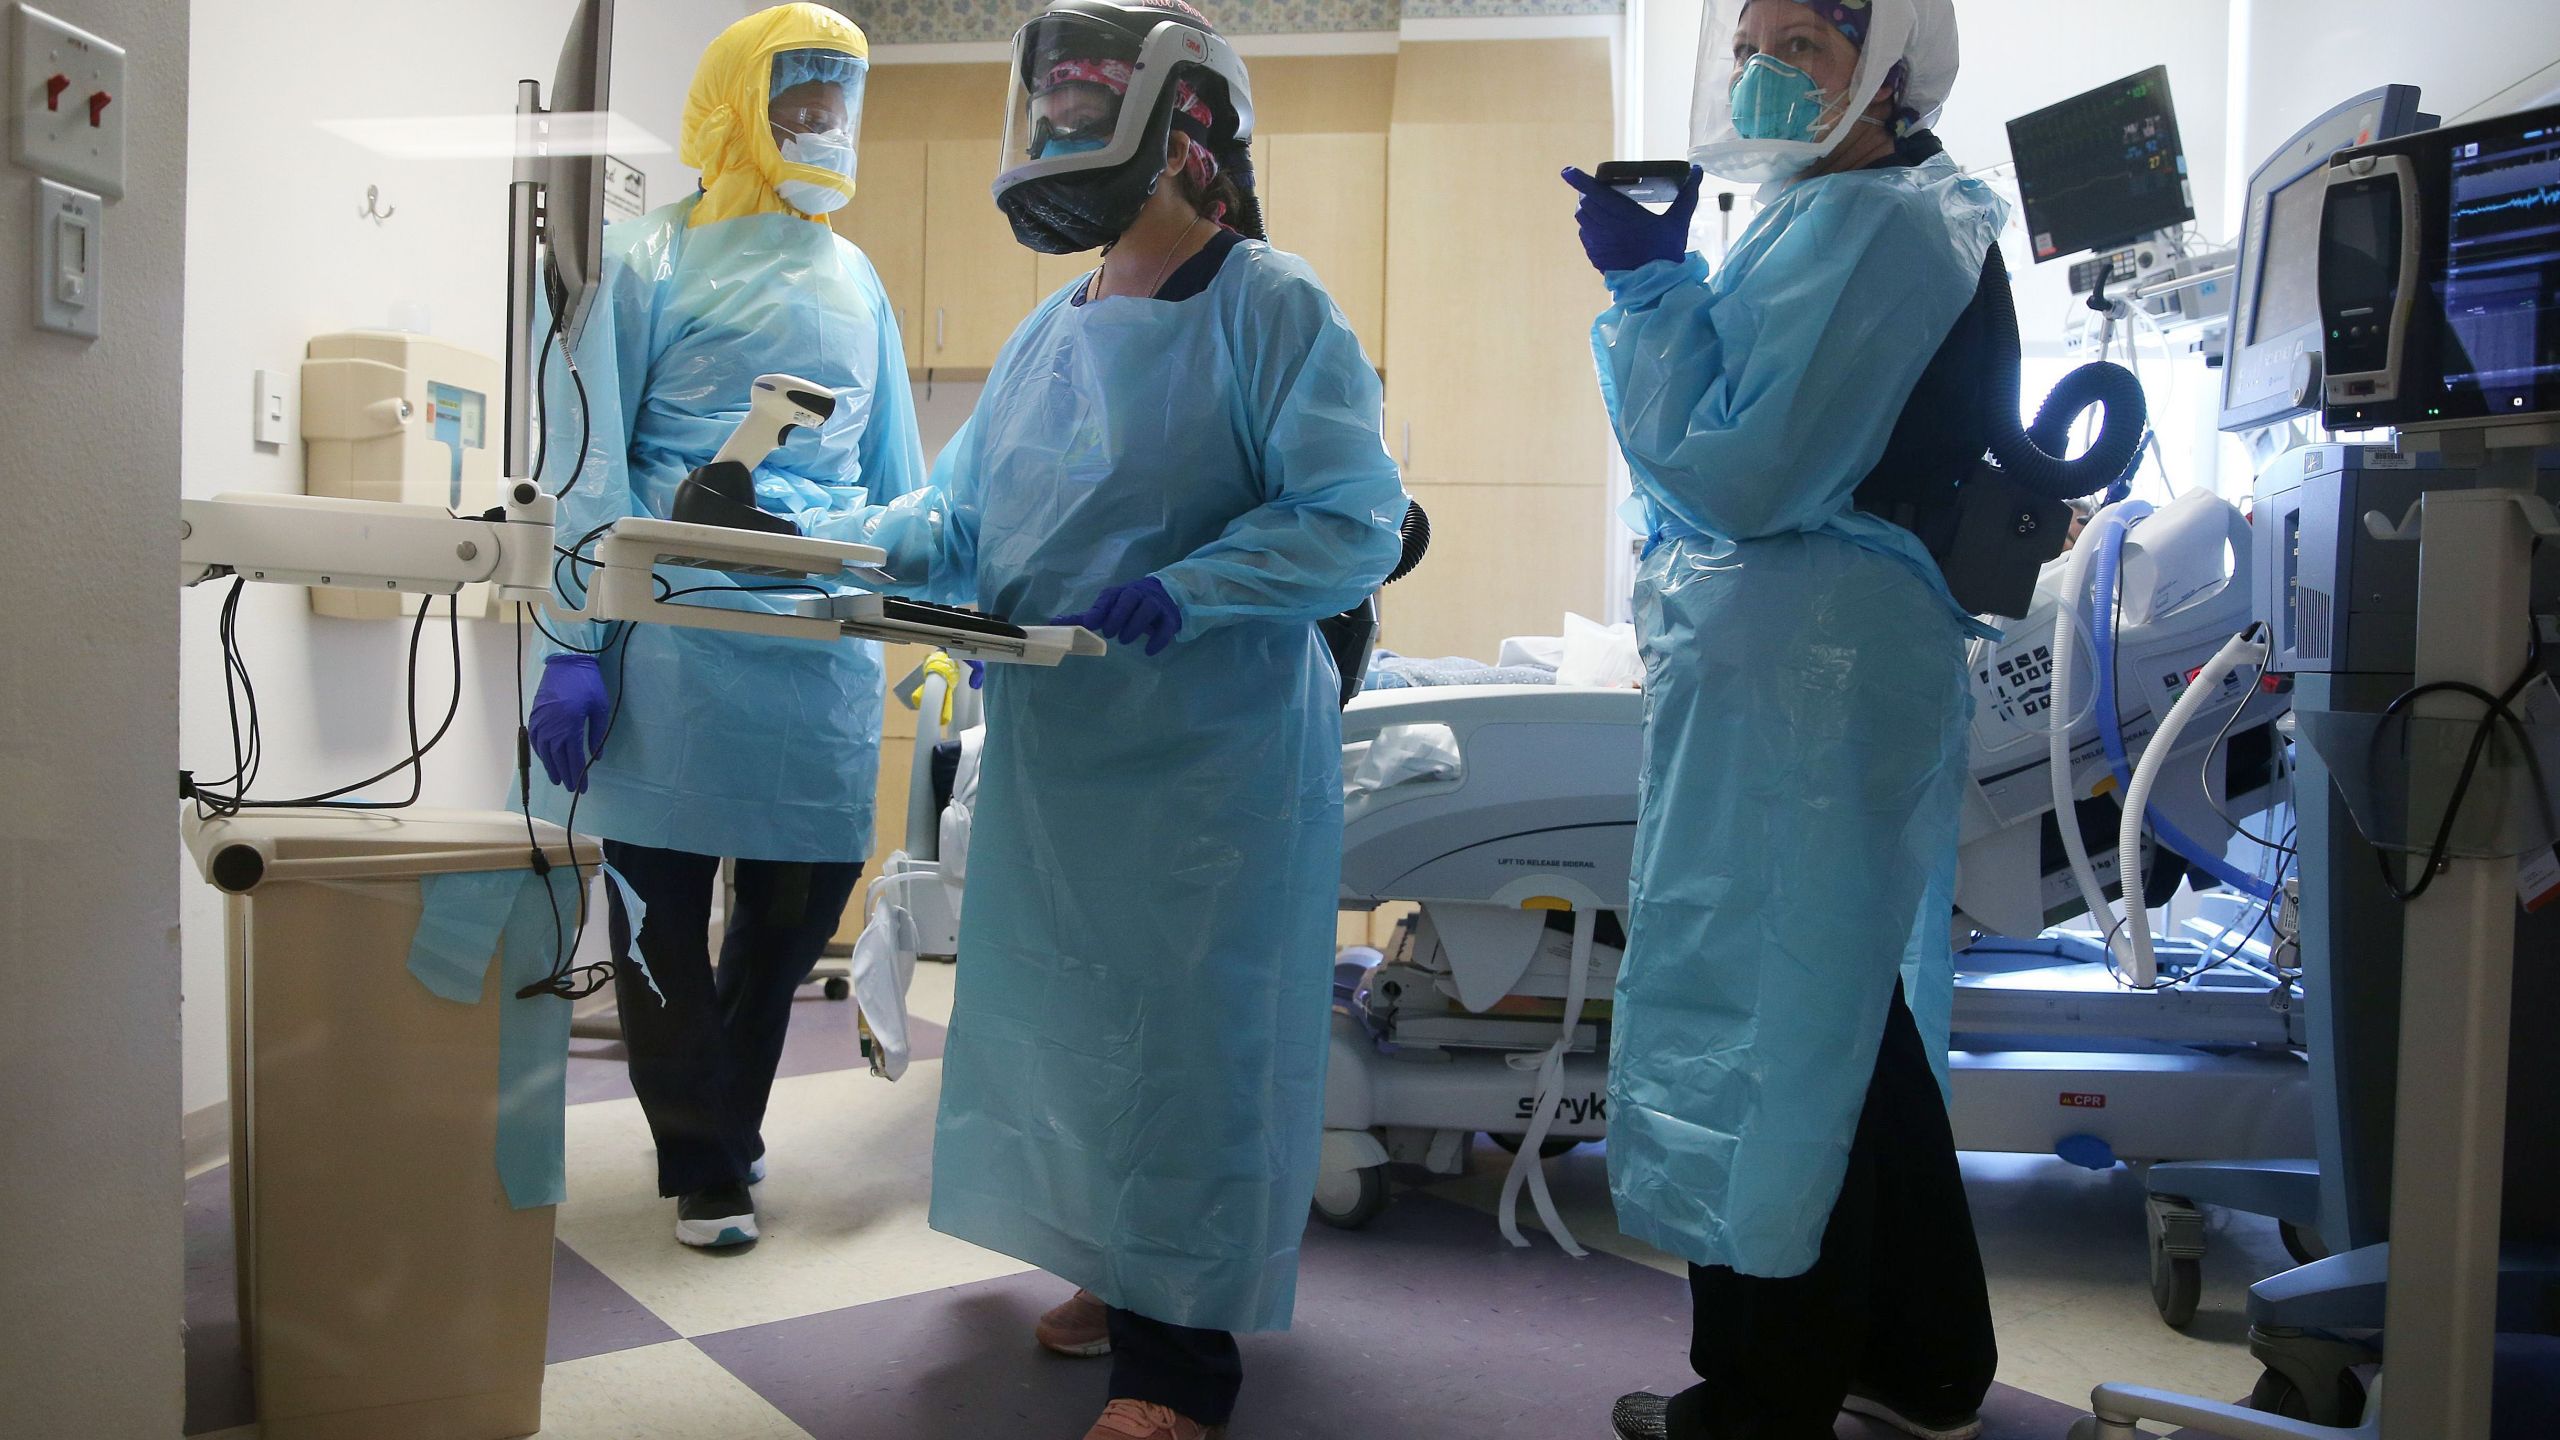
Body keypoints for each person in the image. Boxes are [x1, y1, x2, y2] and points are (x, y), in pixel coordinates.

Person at [816, 4, 1406, 1434]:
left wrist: (1194, 587)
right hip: (1061, 758)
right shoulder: (1044, 337)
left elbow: (1352, 519)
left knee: (1186, 1046)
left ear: (1189, 126)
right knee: (1068, 1031)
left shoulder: (1271, 305)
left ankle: (1180, 1361)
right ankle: (1110, 1266)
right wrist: (835, 539)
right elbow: (960, 520)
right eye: (1057, 101)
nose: (1069, 125)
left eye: (1096, 98)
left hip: (1207, 762)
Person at [1559, 1, 2002, 1437]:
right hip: (1797, 671)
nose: (1763, 70)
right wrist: (1680, 293)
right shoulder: (1838, 212)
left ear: (1886, 67)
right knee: (1834, 1014)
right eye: (1752, 39)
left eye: (1804, 43)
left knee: (1773, 1025)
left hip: (1812, 678)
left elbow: (1740, 474)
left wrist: (1650, 294)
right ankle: (1923, 1355)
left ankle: (1765, 1390)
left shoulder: (1886, 224)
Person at [522, 3, 924, 1252]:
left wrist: (937, 603)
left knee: (799, 909)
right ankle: (702, 1161)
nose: (824, 126)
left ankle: (725, 1123)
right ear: (736, 107)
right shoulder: (643, 261)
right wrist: (573, 647)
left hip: (817, 647)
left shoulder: (857, 279)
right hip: (677, 637)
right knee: (656, 908)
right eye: (799, 100)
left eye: (838, 103)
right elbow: (583, 461)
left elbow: (906, 476)